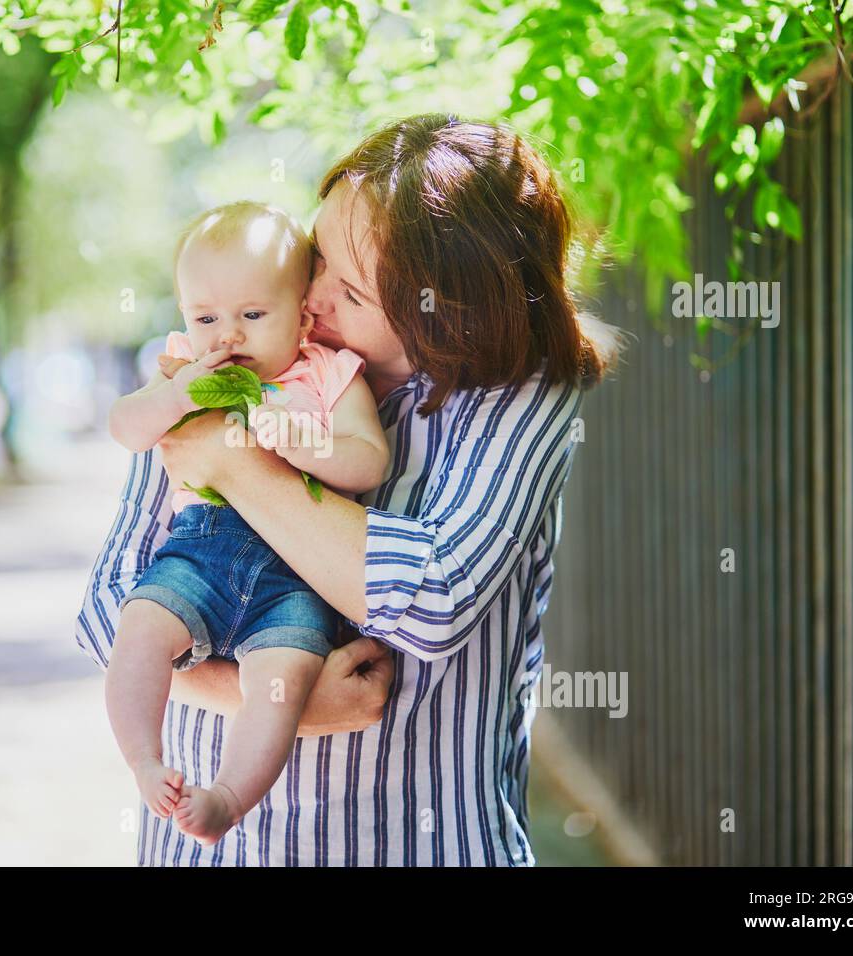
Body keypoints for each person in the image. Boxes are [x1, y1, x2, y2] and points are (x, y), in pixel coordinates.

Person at [76, 113, 621, 865]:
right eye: (319, 254)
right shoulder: (217, 361)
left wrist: (232, 461)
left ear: (447, 319)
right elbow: (109, 609)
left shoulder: (517, 395)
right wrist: (277, 701)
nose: (312, 295)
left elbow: (433, 597)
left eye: (352, 292)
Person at [103, 200, 388, 844]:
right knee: (140, 629)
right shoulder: (183, 367)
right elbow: (125, 427)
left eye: (253, 316)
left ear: (302, 313)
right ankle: (145, 763)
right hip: (200, 551)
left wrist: (303, 443)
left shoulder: (327, 374)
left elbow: (368, 460)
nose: (226, 336)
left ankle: (229, 797)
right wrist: (174, 397)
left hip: (297, 574)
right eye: (205, 317)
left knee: (281, 682)